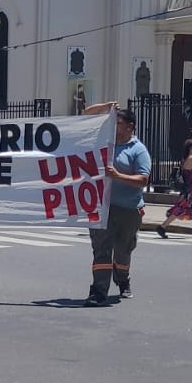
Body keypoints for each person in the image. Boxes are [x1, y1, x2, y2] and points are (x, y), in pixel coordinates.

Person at [81, 103, 151, 307]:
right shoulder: (103, 141)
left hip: (128, 210)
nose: (113, 125)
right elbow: (85, 115)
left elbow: (143, 179)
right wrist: (107, 106)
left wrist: (117, 176)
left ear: (130, 126)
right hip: (102, 208)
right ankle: (98, 292)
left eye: (117, 123)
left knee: (123, 251)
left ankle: (122, 279)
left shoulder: (138, 150)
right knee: (101, 250)